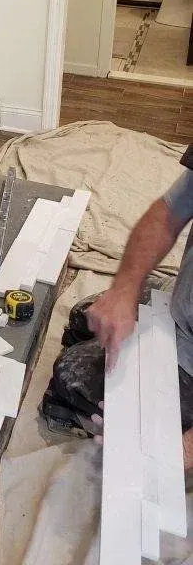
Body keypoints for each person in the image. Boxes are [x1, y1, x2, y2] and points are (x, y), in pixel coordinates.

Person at [86, 144, 193, 464]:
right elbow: (170, 212)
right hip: (181, 307)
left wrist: (182, 450)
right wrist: (124, 290)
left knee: (70, 376)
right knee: (89, 317)